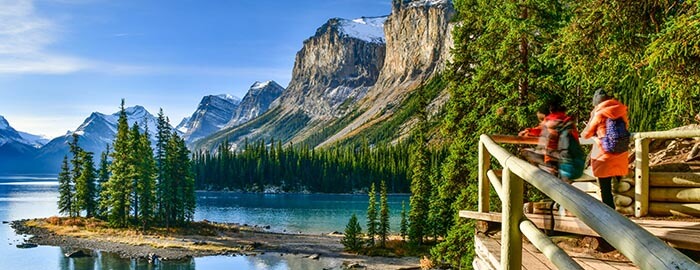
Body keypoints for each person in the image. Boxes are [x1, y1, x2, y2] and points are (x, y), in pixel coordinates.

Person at [582, 89, 630, 209]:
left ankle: (610, 219)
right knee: (619, 186)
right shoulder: (620, 111)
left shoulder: (599, 113)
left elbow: (586, 134)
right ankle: (621, 215)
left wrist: (591, 121)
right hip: (620, 153)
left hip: (603, 153)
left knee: (605, 190)